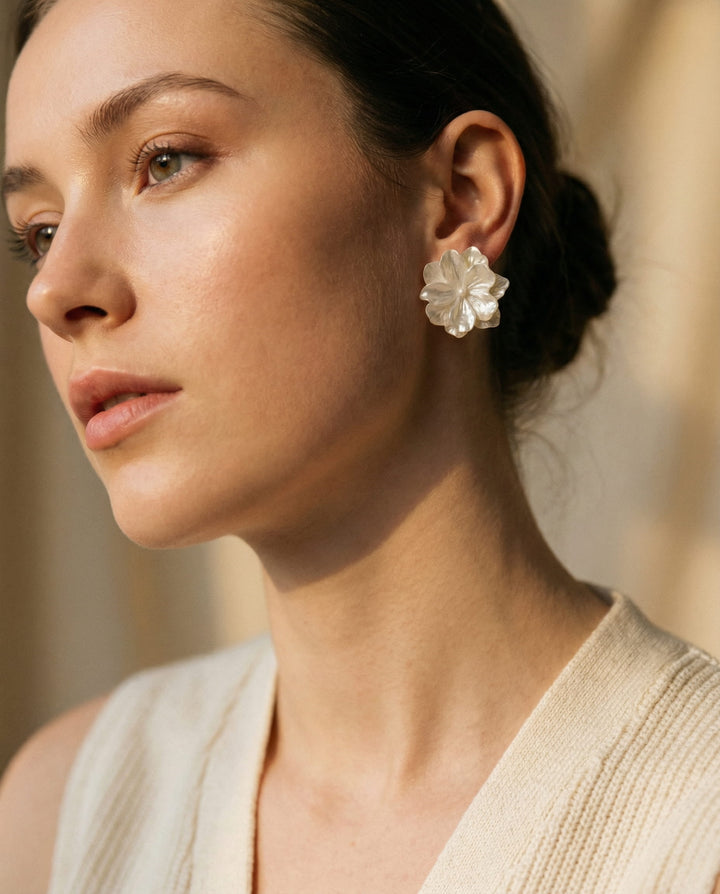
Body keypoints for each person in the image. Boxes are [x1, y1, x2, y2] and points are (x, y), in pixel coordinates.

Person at [1, 0, 719, 891]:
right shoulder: (66, 813)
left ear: (461, 198)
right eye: (37, 232)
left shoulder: (693, 827)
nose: (57, 290)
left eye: (165, 161)